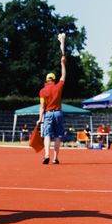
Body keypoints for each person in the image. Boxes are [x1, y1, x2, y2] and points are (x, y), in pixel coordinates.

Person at [36, 35, 66, 165]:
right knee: (58, 135)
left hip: (48, 113)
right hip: (58, 112)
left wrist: (40, 118)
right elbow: (64, 75)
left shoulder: (42, 91)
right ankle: (55, 158)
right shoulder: (58, 86)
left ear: (46, 80)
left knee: (47, 134)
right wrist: (62, 64)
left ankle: (46, 154)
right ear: (53, 79)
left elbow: (42, 106)